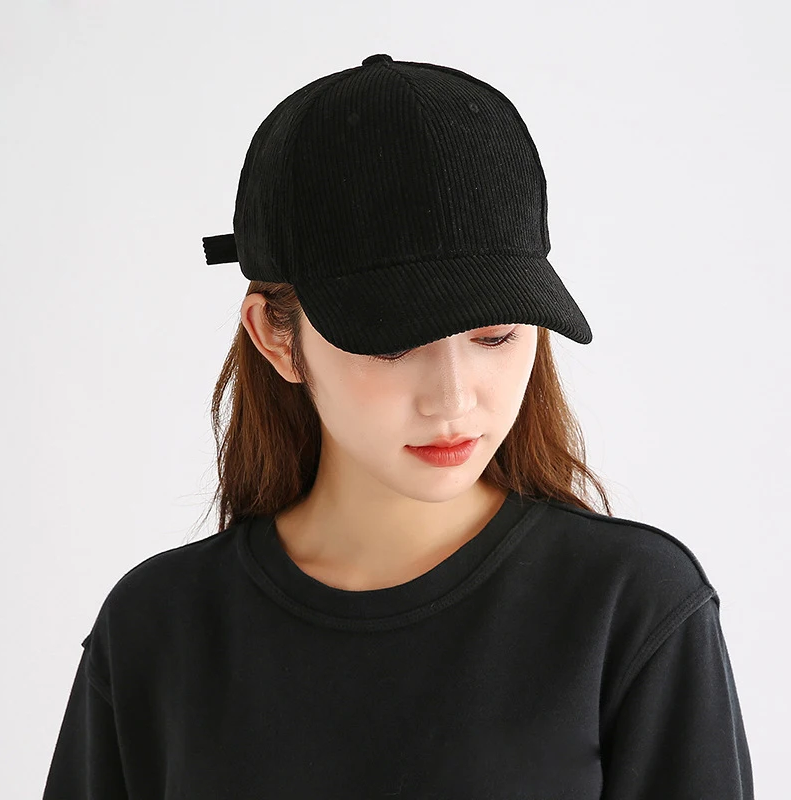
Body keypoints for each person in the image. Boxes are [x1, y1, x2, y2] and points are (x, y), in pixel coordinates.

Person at [43, 54, 754, 798]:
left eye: (496, 336)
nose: (452, 399)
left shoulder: (630, 608)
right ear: (275, 337)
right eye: (391, 343)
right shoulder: (157, 627)